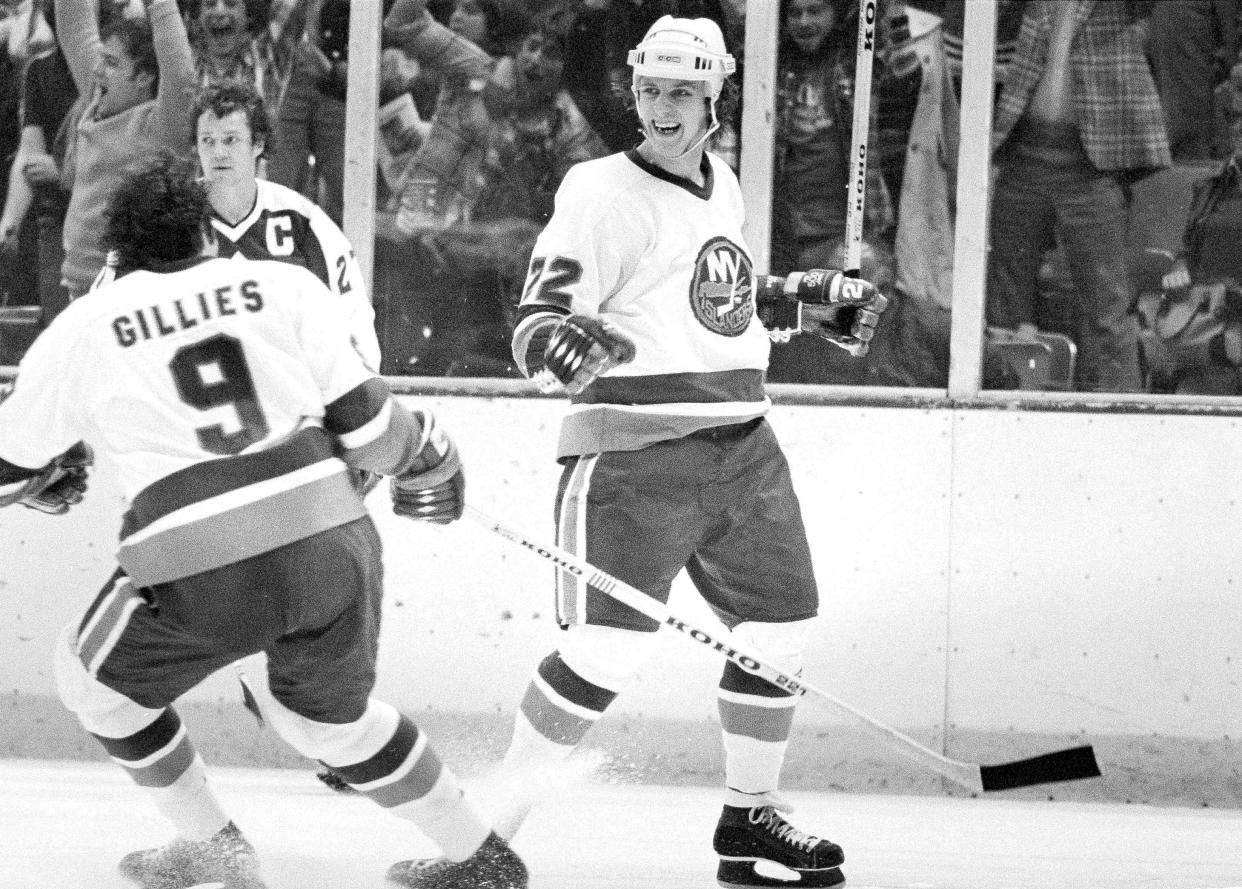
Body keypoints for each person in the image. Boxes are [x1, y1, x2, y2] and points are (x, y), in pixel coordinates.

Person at [422, 16, 884, 889]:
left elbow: (719, 301)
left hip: (744, 447)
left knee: (782, 626)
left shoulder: (723, 185)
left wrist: (801, 300)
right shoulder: (598, 192)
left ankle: (751, 819)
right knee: (607, 652)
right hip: (636, 458)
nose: (662, 106)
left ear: (715, 99)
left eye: (682, 91)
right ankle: (480, 844)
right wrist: (554, 345)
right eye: (651, 89)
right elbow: (538, 318)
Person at [0, 151, 526, 889]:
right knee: (325, 724)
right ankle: (483, 857)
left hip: (196, 564)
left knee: (90, 678)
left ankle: (213, 844)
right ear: (207, 235)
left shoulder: (86, 323)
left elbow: (8, 467)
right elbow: (372, 427)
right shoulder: (283, 283)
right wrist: (427, 454)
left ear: (117, 255)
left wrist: (39, 483)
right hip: (330, 539)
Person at [985, 0, 1171, 393]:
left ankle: (1120, 423)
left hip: (1091, 166)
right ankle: (1004, 411)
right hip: (1021, 154)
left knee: (1108, 310)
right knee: (1006, 304)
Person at [55, 0, 196, 299]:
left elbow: (180, 72)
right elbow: (74, 26)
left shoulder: (162, 125)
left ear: (144, 77)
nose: (96, 69)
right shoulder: (99, 98)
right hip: (78, 289)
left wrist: (159, 4)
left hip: (131, 291)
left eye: (111, 63)